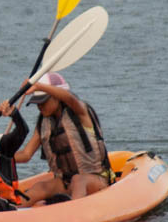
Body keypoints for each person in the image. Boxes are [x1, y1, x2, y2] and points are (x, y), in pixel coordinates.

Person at [13, 72, 114, 205]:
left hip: (95, 179)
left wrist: (38, 86)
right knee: (40, 187)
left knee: (78, 180)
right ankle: (9, 213)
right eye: (37, 103)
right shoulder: (44, 122)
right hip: (65, 183)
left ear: (57, 97)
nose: (39, 106)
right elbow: (26, 155)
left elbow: (70, 98)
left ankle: (73, 214)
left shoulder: (80, 112)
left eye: (43, 101)